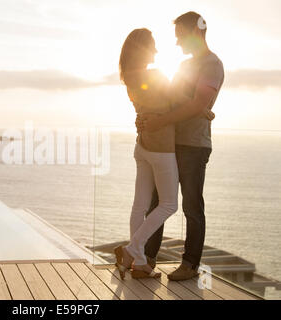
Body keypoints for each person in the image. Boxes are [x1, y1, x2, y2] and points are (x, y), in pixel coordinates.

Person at [114, 28, 216, 280]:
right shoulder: (156, 74)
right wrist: (204, 111)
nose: (157, 50)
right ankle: (132, 250)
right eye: (153, 45)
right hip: (161, 148)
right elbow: (176, 100)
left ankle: (139, 263)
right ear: (143, 49)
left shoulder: (128, 75)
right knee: (168, 204)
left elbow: (153, 105)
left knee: (140, 205)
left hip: (142, 146)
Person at [138, 11, 224, 281]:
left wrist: (197, 110)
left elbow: (197, 103)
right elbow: (171, 100)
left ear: (196, 32)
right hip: (170, 143)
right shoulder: (185, 66)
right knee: (158, 203)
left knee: (191, 207)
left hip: (194, 146)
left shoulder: (212, 64)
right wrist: (149, 115)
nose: (177, 43)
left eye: (180, 36)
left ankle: (190, 265)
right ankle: (147, 259)